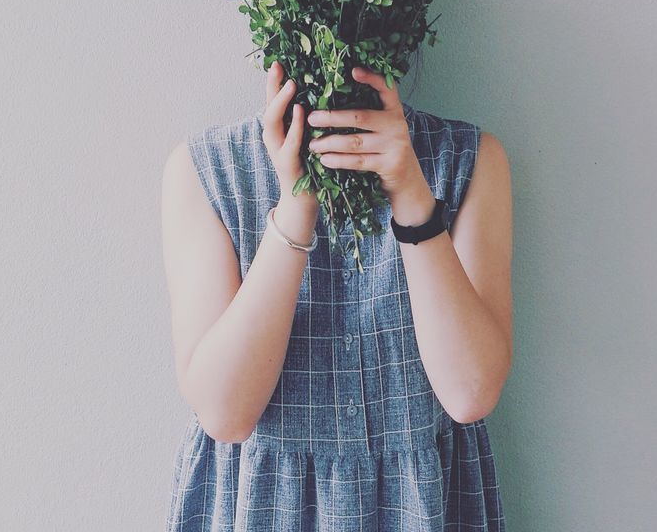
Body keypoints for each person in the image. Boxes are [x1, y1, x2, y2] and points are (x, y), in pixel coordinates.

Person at [160, 60, 513, 530]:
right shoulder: (209, 169)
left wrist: (412, 195)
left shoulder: (467, 159)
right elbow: (225, 414)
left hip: (419, 507)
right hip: (261, 508)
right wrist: (296, 200)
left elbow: (470, 394)